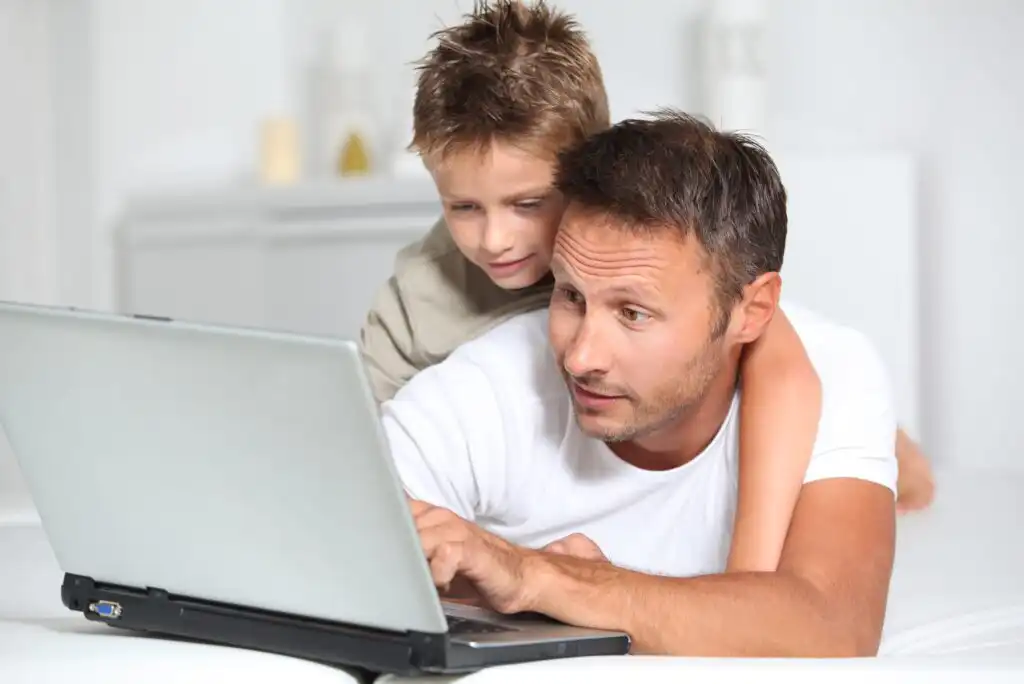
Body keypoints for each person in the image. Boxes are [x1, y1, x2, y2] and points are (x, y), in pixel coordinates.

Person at [358, 0, 932, 574]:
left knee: (837, 405)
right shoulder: (418, 298)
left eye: (528, 204)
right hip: (504, 502)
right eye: (463, 207)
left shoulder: (639, 235)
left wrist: (748, 579)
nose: (496, 240)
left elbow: (778, 365)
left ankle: (890, 441)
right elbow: (367, 447)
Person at [383, 111, 898, 656]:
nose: (580, 358)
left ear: (753, 310)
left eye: (632, 314)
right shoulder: (493, 383)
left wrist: (539, 576)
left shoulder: (833, 370)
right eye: (571, 296)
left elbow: (835, 628)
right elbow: (327, 552)